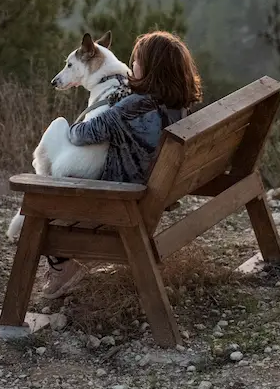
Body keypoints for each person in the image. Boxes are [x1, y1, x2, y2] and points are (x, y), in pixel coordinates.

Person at [41, 31, 203, 299]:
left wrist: (102, 108)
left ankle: (62, 268)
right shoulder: (180, 106)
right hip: (155, 190)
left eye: (137, 61)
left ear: (151, 69)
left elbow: (81, 133)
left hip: (122, 194)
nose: (133, 66)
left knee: (44, 202)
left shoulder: (132, 106)